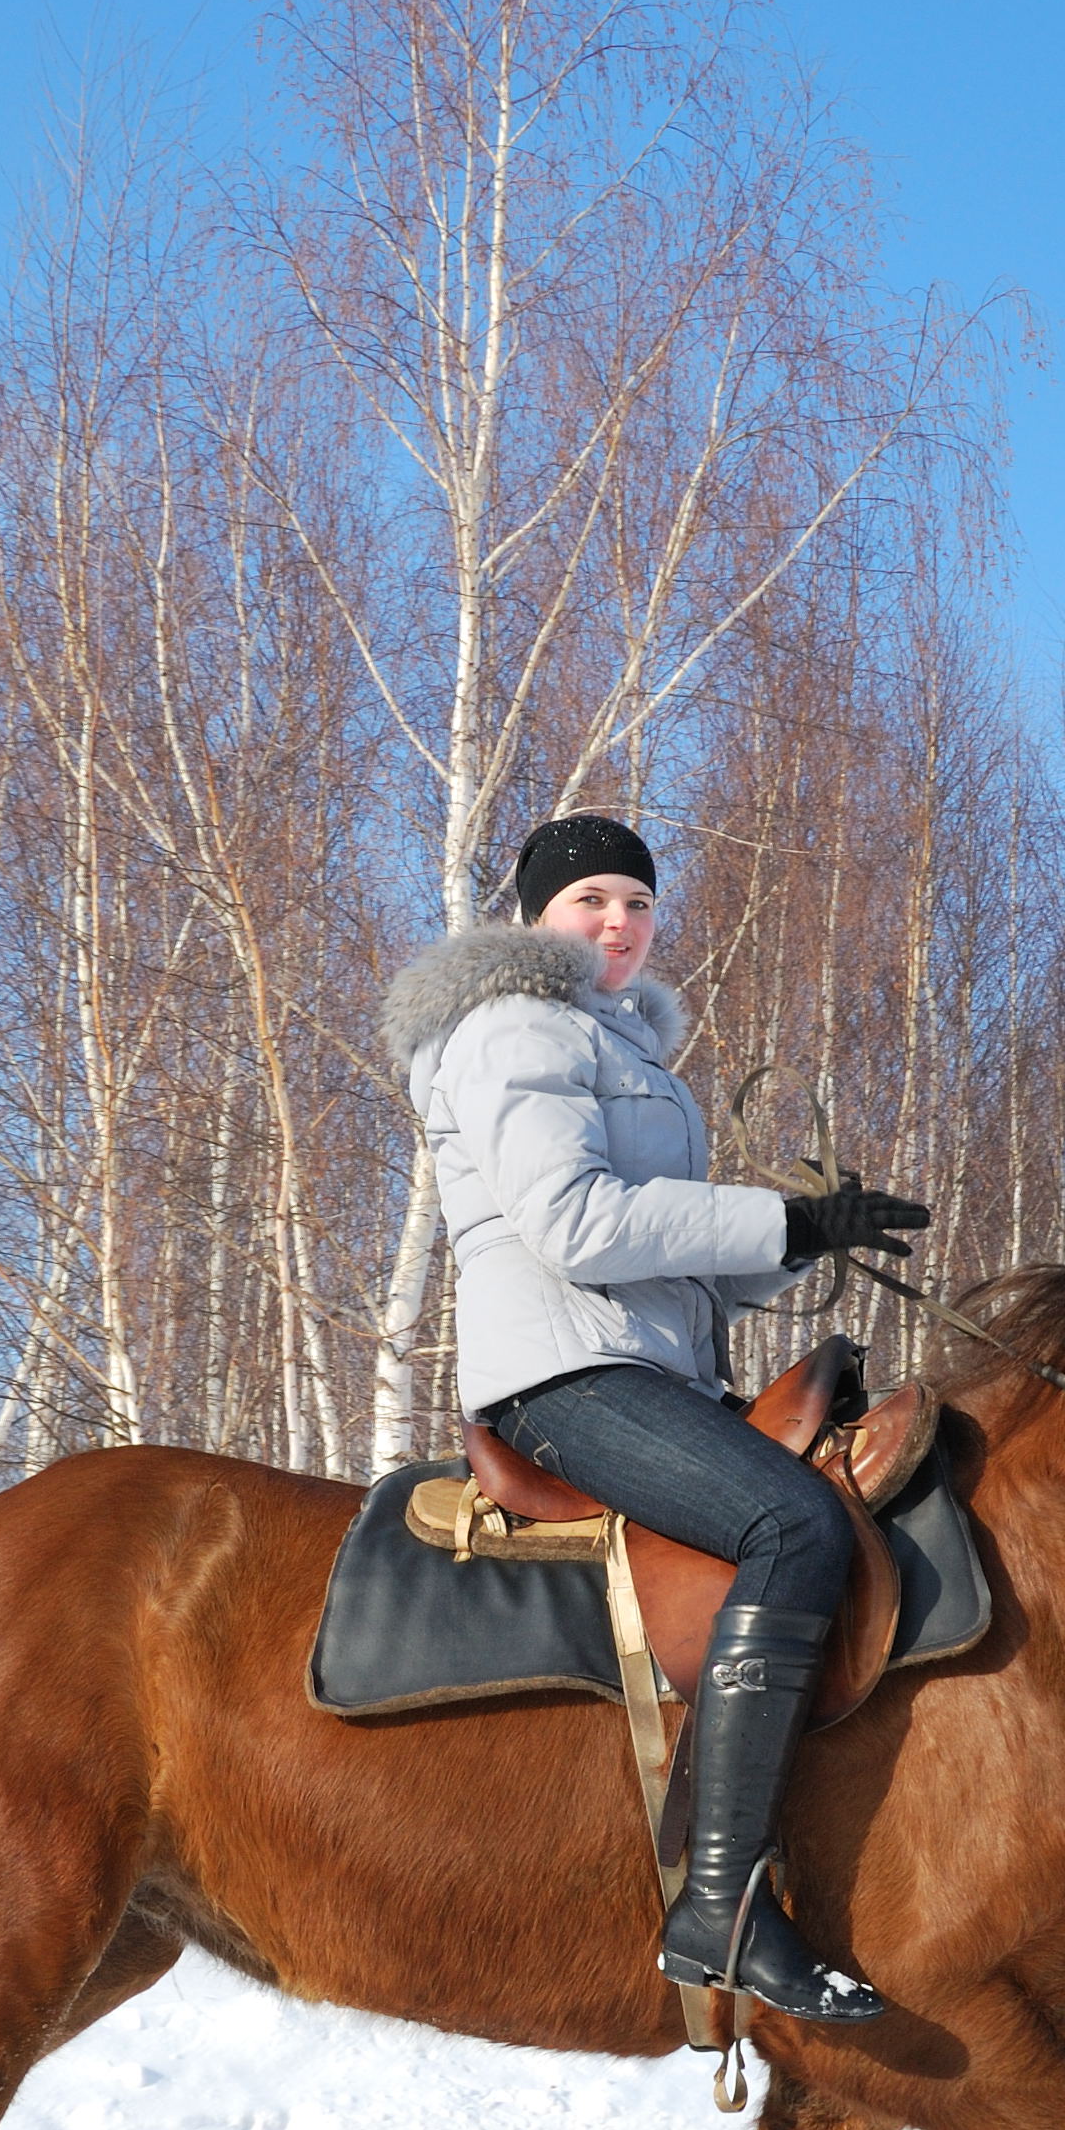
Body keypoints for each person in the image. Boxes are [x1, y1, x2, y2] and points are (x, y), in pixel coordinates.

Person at [381, 813, 930, 2025]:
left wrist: (809, 1235)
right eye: (591, 900)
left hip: (648, 1365)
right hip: (563, 1377)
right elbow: (574, 1224)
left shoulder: (621, 1046)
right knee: (792, 1524)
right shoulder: (515, 1025)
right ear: (537, 915)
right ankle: (720, 1904)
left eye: (637, 901)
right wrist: (776, 1219)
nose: (619, 921)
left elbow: (683, 1274)